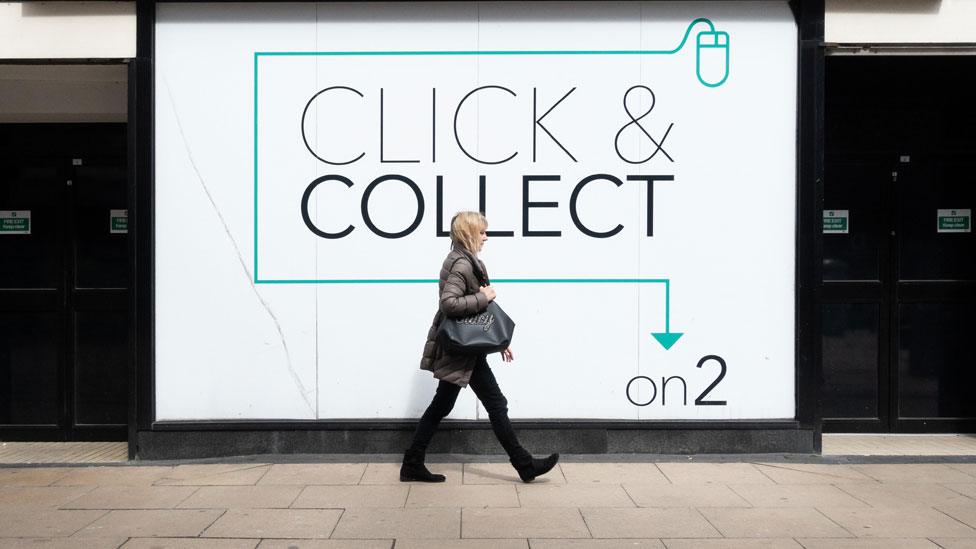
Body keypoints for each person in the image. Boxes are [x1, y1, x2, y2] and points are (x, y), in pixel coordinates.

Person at [400, 211, 559, 483]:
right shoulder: (462, 264)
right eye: (482, 232)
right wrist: (482, 297)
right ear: (469, 233)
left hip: (464, 349)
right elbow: (449, 304)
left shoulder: (467, 261)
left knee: (443, 405)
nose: (486, 237)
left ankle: (412, 463)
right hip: (460, 350)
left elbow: (476, 316)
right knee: (495, 404)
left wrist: (499, 340)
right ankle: (524, 465)